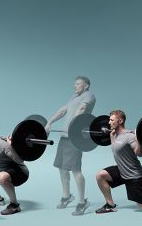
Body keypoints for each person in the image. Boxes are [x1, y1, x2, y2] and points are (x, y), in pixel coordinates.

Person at [44, 76, 95, 215]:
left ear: (86, 86)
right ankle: (66, 196)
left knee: (75, 170)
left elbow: (82, 109)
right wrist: (49, 123)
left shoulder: (88, 95)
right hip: (64, 137)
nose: (75, 86)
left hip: (74, 138)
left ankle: (82, 201)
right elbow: (62, 110)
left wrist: (73, 126)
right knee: (62, 167)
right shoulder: (74, 96)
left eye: (78, 84)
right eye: (75, 84)